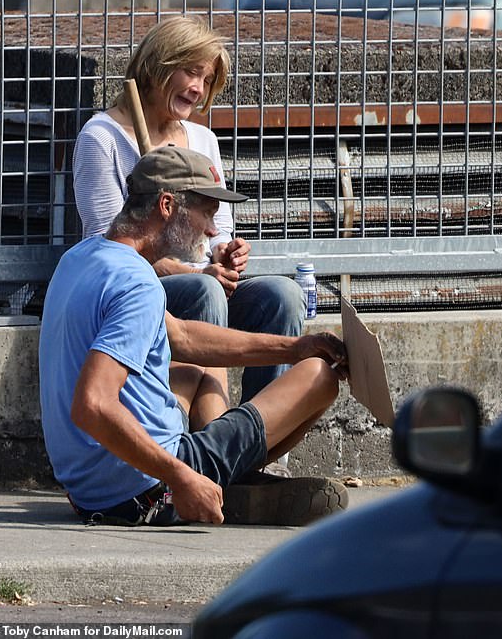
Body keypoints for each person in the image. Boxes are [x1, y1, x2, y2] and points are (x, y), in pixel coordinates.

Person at [40, 146, 348, 526]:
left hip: (87, 491)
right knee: (320, 377)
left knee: (193, 370)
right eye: (206, 212)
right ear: (167, 206)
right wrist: (180, 476)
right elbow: (92, 405)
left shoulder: (80, 258)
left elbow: (183, 336)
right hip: (146, 490)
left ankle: (217, 479)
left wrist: (296, 347)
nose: (212, 229)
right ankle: (211, 485)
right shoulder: (137, 284)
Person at [72, 16, 303, 448]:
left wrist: (226, 253)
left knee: (282, 297)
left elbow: (216, 231)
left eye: (207, 78)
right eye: (191, 72)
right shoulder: (101, 137)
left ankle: (264, 446)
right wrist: (193, 274)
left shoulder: (202, 138)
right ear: (161, 65)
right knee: (204, 294)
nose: (198, 88)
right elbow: (105, 249)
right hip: (146, 293)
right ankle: (201, 443)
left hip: (204, 283)